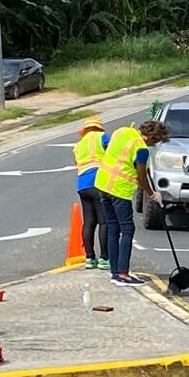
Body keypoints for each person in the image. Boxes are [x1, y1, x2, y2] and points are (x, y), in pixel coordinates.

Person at [95, 120, 170, 287]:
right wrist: (152, 194)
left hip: (103, 184)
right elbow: (141, 177)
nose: (153, 145)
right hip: (119, 190)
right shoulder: (141, 149)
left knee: (113, 228)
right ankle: (123, 274)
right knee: (127, 229)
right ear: (150, 137)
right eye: (155, 142)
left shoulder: (121, 131)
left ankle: (115, 272)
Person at [72, 116, 110, 270]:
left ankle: (89, 258)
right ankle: (104, 258)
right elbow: (113, 151)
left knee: (89, 222)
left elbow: (77, 163)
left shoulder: (78, 145)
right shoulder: (102, 137)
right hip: (98, 182)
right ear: (98, 128)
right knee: (104, 221)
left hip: (83, 185)